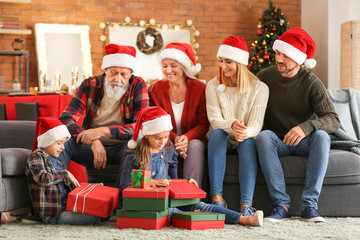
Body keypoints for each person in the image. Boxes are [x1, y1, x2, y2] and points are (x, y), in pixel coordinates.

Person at [120, 106, 263, 227]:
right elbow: (125, 188)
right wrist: (152, 182)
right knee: (179, 214)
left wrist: (185, 185)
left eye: (165, 137)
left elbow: (173, 182)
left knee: (200, 206)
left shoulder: (169, 152)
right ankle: (196, 217)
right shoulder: (133, 156)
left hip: (168, 200)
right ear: (147, 135)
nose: (162, 142)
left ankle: (244, 219)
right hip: (148, 205)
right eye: (157, 138)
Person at [255, 27, 340, 223]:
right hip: (278, 142)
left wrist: (306, 127)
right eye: (278, 53)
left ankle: (309, 205)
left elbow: (333, 119)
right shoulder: (264, 77)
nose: (279, 59)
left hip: (305, 142)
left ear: (298, 58)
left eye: (285, 55)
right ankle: (281, 205)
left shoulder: (311, 82)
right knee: (264, 136)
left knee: (322, 136)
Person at [59, 43, 148, 174]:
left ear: (131, 74)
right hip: (90, 147)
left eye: (123, 74)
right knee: (61, 144)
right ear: (105, 70)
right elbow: (65, 118)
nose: (118, 79)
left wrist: (102, 131)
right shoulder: (90, 84)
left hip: (123, 147)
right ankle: (59, 191)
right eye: (113, 73)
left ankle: (125, 192)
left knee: (140, 141)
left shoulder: (137, 85)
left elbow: (140, 125)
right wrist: (93, 140)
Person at [205, 36, 269, 216]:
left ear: (240, 63)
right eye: (221, 61)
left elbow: (256, 125)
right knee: (217, 134)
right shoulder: (213, 85)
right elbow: (214, 120)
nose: (223, 66)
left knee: (248, 142)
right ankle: (217, 200)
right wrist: (232, 124)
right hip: (223, 135)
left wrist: (244, 132)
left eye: (228, 62)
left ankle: (246, 206)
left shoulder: (260, 88)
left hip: (245, 137)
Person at [148, 42, 209, 187]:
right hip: (165, 138)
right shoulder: (154, 90)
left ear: (183, 66)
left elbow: (203, 123)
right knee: (161, 145)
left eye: (173, 65)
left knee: (195, 146)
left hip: (193, 139)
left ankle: (192, 198)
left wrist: (186, 138)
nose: (168, 70)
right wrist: (175, 139)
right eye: (165, 66)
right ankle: (161, 195)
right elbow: (154, 123)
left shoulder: (200, 89)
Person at [25, 117, 101, 225]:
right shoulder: (35, 158)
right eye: (59, 143)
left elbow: (70, 186)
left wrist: (92, 188)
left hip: (66, 206)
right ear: (47, 141)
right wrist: (65, 173)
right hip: (53, 214)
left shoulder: (58, 161)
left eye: (63, 143)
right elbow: (42, 179)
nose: (63, 148)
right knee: (94, 218)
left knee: (98, 209)